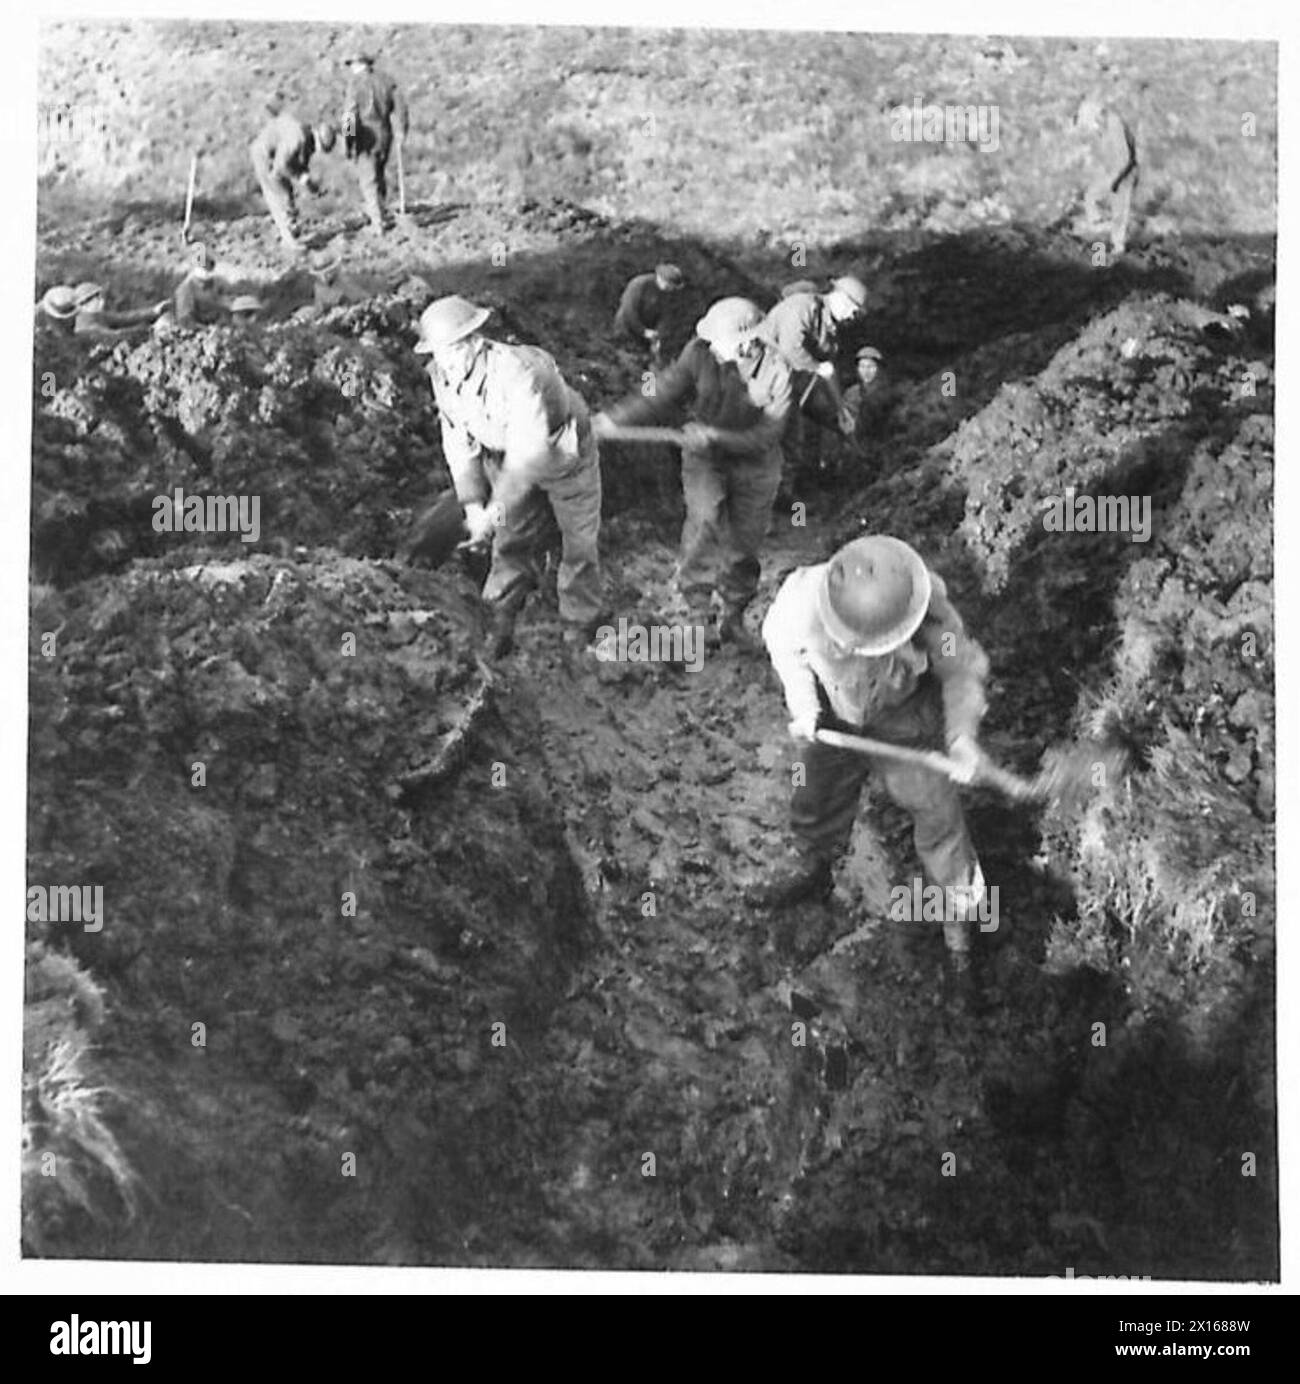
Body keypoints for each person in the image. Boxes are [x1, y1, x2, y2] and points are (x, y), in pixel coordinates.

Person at [749, 535, 991, 983]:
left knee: (938, 817)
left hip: (903, 716)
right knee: (817, 798)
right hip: (835, 712)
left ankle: (960, 930)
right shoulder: (800, 602)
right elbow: (783, 649)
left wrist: (961, 739)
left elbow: (960, 670)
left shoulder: (925, 605)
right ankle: (816, 869)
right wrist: (805, 709)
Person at [594, 296, 793, 650]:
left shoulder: (778, 369)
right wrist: (616, 418)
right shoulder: (699, 352)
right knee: (704, 519)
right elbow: (662, 390)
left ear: (748, 341)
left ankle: (733, 616)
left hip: (756, 464)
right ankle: (698, 614)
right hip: (705, 460)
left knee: (745, 543)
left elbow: (768, 435)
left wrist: (716, 436)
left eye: (721, 343)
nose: (713, 347)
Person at [414, 294, 606, 658]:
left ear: (473, 343)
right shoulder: (441, 377)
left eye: (454, 349)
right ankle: (497, 624)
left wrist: (494, 507)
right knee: (509, 539)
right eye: (439, 352)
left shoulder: (517, 372)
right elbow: (457, 440)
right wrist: (473, 504)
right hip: (504, 455)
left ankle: (580, 627)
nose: (447, 360)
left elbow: (528, 454)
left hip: (561, 453)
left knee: (578, 540)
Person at [340, 52, 409, 235]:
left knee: (368, 180)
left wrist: (348, 143)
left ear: (358, 64)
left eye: (352, 64)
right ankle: (381, 211)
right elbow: (401, 108)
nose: (351, 68)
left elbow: (349, 116)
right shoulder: (386, 80)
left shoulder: (354, 84)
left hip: (366, 136)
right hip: (385, 134)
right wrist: (401, 132)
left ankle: (377, 224)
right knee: (379, 173)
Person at [250, 112, 337, 249]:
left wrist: (310, 185)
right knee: (281, 195)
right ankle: (289, 240)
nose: (316, 152)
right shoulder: (297, 140)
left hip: (277, 154)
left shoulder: (306, 137)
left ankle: (290, 231)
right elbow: (281, 166)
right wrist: (302, 178)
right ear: (318, 140)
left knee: (287, 193)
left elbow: (300, 164)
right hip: (264, 155)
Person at [1076, 95, 1139, 257]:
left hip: (1124, 173)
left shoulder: (1114, 123)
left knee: (1119, 210)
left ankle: (1117, 248)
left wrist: (1116, 181)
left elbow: (1125, 158)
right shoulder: (1104, 124)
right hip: (1114, 171)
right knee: (1091, 196)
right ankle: (1101, 230)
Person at [613, 262, 685, 365]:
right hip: (625, 331)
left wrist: (658, 337)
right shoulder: (639, 284)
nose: (670, 289)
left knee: (646, 364)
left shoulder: (668, 295)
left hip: (645, 338)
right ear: (660, 278)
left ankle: (647, 379)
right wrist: (643, 331)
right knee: (624, 361)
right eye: (669, 285)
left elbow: (665, 318)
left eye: (672, 287)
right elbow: (629, 310)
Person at [70, 281, 169, 336]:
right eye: (97, 297)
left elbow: (123, 318)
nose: (102, 300)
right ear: (85, 303)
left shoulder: (96, 315)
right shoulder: (86, 329)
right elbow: (116, 336)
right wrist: (149, 329)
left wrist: (153, 311)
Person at [170, 244, 228, 327]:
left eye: (209, 266)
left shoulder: (217, 283)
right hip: (196, 327)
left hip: (216, 324)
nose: (206, 269)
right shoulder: (186, 288)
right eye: (203, 267)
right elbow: (185, 318)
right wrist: (204, 329)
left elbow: (225, 303)